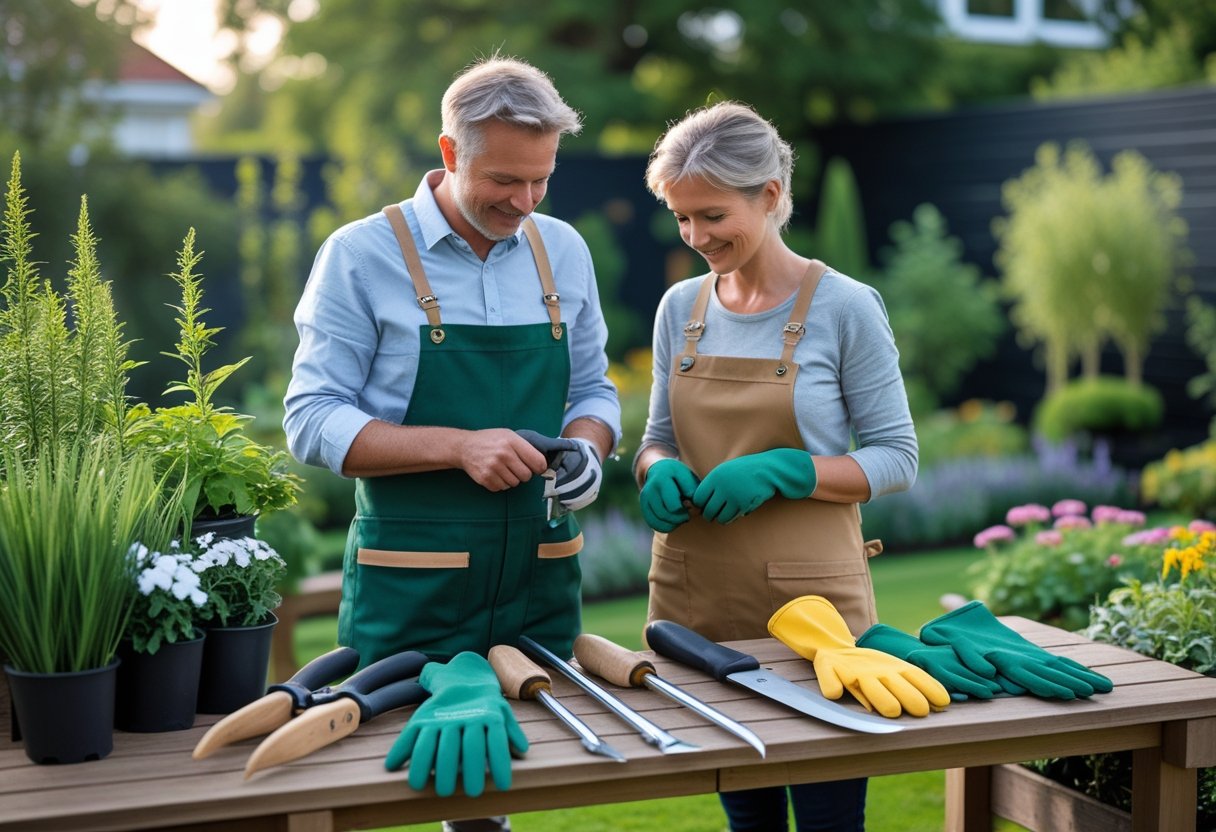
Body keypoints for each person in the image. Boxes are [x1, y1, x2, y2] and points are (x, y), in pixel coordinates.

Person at [284, 56, 621, 823]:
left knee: (508, 782)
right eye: (505, 179)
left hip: (539, 584)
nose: (525, 200)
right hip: (415, 589)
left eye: (541, 179)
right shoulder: (359, 255)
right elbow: (310, 418)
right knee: (411, 784)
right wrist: (460, 445)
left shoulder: (562, 249)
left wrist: (589, 447)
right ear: (449, 153)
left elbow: (595, 390)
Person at [634, 102, 918, 832]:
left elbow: (897, 457)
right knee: (748, 821)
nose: (696, 237)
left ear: (769, 195)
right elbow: (656, 436)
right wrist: (655, 468)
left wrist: (789, 471)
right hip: (700, 612)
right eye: (681, 218)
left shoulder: (846, 307)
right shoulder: (680, 308)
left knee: (829, 819)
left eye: (711, 215)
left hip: (817, 620)